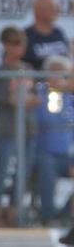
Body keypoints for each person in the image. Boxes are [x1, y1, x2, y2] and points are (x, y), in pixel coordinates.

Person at [0, 26, 37, 227]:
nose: (20, 48)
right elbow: (5, 99)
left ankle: (14, 212)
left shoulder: (28, 69)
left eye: (22, 43)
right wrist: (21, 99)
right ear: (6, 45)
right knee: (1, 172)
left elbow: (35, 98)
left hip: (28, 128)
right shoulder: (1, 71)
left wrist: (21, 99)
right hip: (7, 129)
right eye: (15, 43)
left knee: (22, 175)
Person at [33, 55, 74, 225]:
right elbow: (49, 119)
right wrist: (54, 91)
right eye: (54, 73)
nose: (58, 79)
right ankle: (48, 215)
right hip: (44, 152)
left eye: (62, 74)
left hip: (67, 154)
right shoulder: (40, 92)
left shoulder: (70, 97)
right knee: (47, 171)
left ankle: (65, 214)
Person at [24, 0, 70, 70]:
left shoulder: (58, 32)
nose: (57, 11)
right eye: (52, 8)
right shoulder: (25, 36)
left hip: (61, 80)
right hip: (37, 80)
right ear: (38, 11)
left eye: (57, 8)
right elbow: (18, 66)